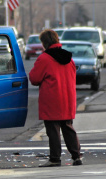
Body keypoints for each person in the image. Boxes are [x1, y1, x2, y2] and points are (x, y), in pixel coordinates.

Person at [29, 29, 83, 167]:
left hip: (52, 99)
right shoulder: (68, 58)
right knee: (68, 127)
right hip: (67, 98)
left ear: (44, 43)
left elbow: (34, 78)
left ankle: (55, 158)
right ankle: (76, 156)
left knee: (53, 130)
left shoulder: (44, 58)